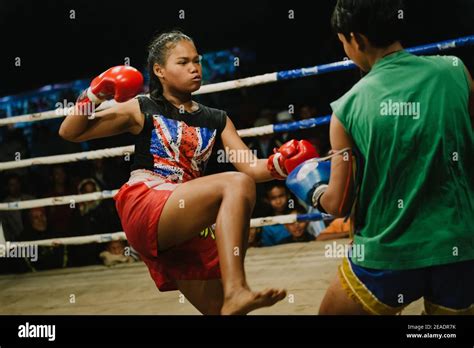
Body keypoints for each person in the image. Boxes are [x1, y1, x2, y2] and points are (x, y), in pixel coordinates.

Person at [59, 30, 318, 315]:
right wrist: (95, 93)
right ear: (159, 71)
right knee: (236, 185)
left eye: (197, 61)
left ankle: (233, 298)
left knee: (222, 312)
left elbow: (252, 168)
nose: (194, 68)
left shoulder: (217, 119)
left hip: (184, 221)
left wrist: (281, 163)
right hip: (147, 204)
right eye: (183, 62)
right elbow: (70, 132)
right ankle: (237, 289)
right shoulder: (141, 108)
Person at [291, 0, 474, 315]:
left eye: (344, 44)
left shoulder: (347, 108)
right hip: (461, 248)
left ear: (357, 39)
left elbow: (339, 204)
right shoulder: (456, 72)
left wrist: (314, 189)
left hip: (388, 253)